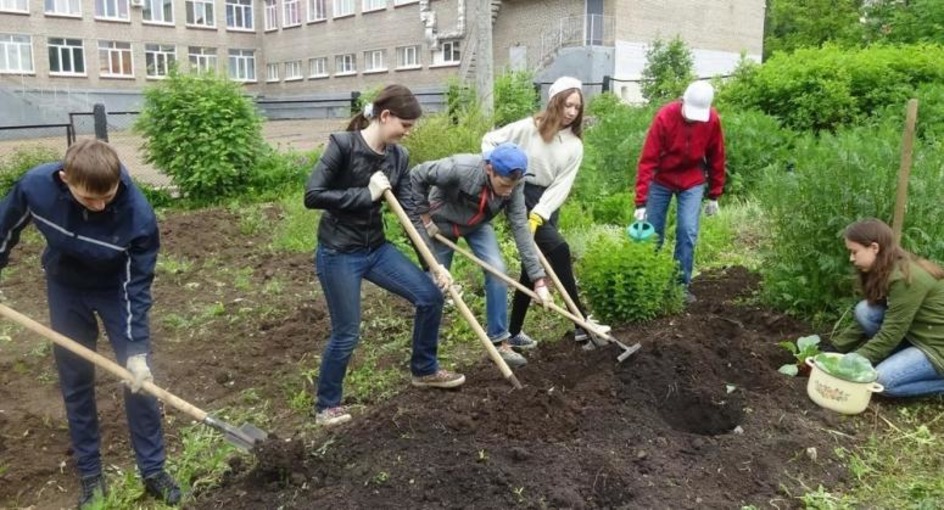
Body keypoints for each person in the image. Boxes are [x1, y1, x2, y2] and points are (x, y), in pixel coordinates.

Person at [0, 139, 181, 508]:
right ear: (65, 180)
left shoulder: (138, 217)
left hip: (115, 290)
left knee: (139, 383)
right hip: (66, 287)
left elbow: (137, 290)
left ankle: (153, 470)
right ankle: (91, 476)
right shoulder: (35, 187)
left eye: (108, 196)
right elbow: (3, 232)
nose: (100, 206)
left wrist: (136, 351)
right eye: (88, 199)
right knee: (76, 380)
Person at [305, 84, 465, 428]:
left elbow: (409, 213)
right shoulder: (342, 145)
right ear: (386, 115)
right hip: (338, 252)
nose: (408, 132)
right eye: (405, 125)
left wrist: (433, 266)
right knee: (347, 332)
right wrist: (366, 194)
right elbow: (313, 195)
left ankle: (424, 370)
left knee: (430, 297)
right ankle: (326, 405)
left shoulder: (398, 158)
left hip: (376, 249)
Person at [482, 76, 611, 349]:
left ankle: (513, 331)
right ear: (555, 102)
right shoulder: (529, 128)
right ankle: (582, 322)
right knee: (560, 250)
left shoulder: (575, 145)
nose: (572, 112)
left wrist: (540, 212)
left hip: (548, 204)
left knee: (533, 269)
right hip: (520, 193)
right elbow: (491, 140)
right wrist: (497, 172)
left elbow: (562, 185)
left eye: (576, 107)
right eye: (567, 105)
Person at [408, 142, 552, 368]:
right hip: (441, 223)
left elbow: (519, 226)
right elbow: (416, 175)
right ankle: (424, 360)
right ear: (489, 170)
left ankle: (500, 341)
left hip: (477, 223)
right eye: (504, 185)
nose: (508, 191)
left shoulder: (516, 181)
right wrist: (424, 217)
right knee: (433, 287)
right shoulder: (458, 168)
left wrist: (539, 280)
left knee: (498, 272)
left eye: (512, 186)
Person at [633, 80, 726, 302]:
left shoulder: (711, 120)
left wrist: (714, 194)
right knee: (652, 233)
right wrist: (641, 202)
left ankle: (680, 285)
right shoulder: (665, 117)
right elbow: (648, 160)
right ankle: (647, 282)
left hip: (692, 180)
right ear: (682, 100)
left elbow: (717, 156)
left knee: (687, 230)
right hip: (661, 180)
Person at [830, 218, 944, 397]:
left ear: (874, 248)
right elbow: (877, 320)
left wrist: (852, 361)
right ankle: (899, 358)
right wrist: (835, 348)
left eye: (854, 252)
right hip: (915, 334)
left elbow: (892, 332)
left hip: (936, 347)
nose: (851, 258)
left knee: (881, 382)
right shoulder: (886, 269)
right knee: (865, 311)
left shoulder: (905, 278)